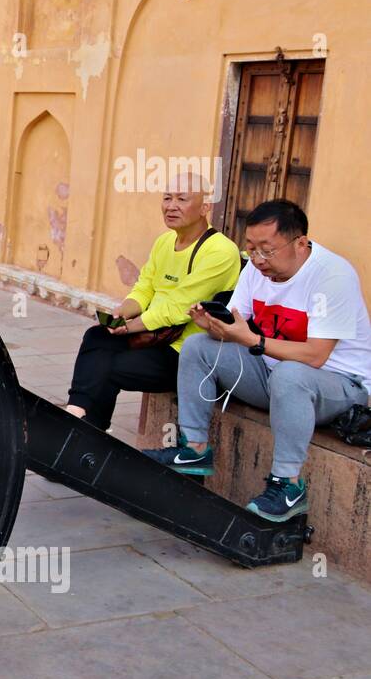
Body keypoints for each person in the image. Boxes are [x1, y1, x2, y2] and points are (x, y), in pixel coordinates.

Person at [143, 199, 371, 521]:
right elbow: (238, 325)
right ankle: (193, 450)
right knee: (197, 346)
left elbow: (316, 356)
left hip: (338, 387)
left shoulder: (331, 276)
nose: (257, 259)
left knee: (291, 375)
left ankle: (288, 485)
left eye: (267, 250)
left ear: (300, 243)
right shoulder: (254, 268)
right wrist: (215, 327)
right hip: (273, 374)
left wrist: (252, 340)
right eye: (251, 248)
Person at [65, 179, 240, 432]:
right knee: (96, 336)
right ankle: (76, 414)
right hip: (152, 336)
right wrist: (120, 313)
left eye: (182, 199)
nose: (171, 206)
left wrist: (131, 327)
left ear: (205, 207)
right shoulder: (164, 242)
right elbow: (144, 288)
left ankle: (88, 431)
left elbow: (179, 307)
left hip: (184, 352)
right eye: (167, 198)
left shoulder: (221, 251)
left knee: (107, 368)